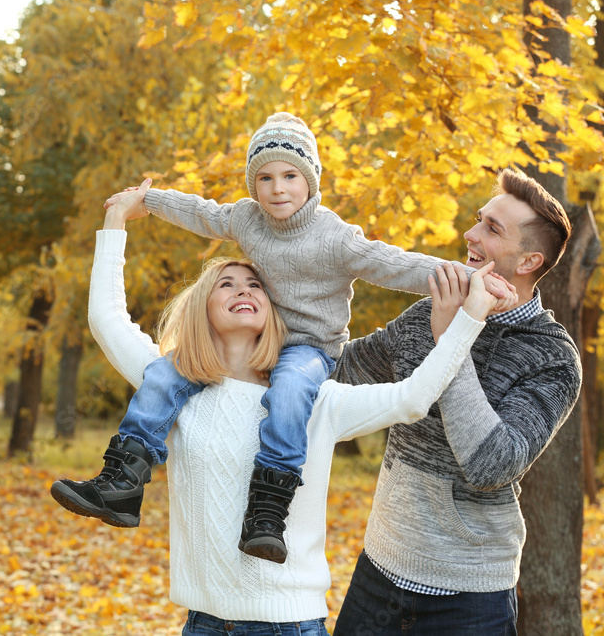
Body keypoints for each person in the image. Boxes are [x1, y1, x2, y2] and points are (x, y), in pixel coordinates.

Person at [53, 191, 512, 634]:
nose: (243, 290)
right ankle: (120, 480)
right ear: (202, 308)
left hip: (289, 625)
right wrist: (116, 220)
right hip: (203, 624)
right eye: (226, 284)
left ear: (274, 311)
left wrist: (467, 319)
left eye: (255, 284)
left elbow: (412, 398)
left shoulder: (315, 401)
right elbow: (107, 319)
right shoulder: (170, 388)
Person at [53, 113, 488, 563]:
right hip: (265, 339)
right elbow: (204, 213)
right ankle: (123, 480)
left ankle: (268, 508)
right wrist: (148, 200)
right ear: (252, 184)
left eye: (290, 176)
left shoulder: (336, 238)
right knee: (166, 372)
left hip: (310, 348)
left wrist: (468, 277)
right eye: (264, 178)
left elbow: (394, 263)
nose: (277, 189)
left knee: (291, 390)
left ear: (311, 181)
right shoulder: (247, 220)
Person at [330, 167, 582, 635]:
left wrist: (453, 336)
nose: (470, 234)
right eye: (478, 219)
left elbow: (491, 464)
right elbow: (339, 370)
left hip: (469, 602)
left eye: (491, 228)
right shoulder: (430, 309)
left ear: (527, 261)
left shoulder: (552, 357)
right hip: (377, 575)